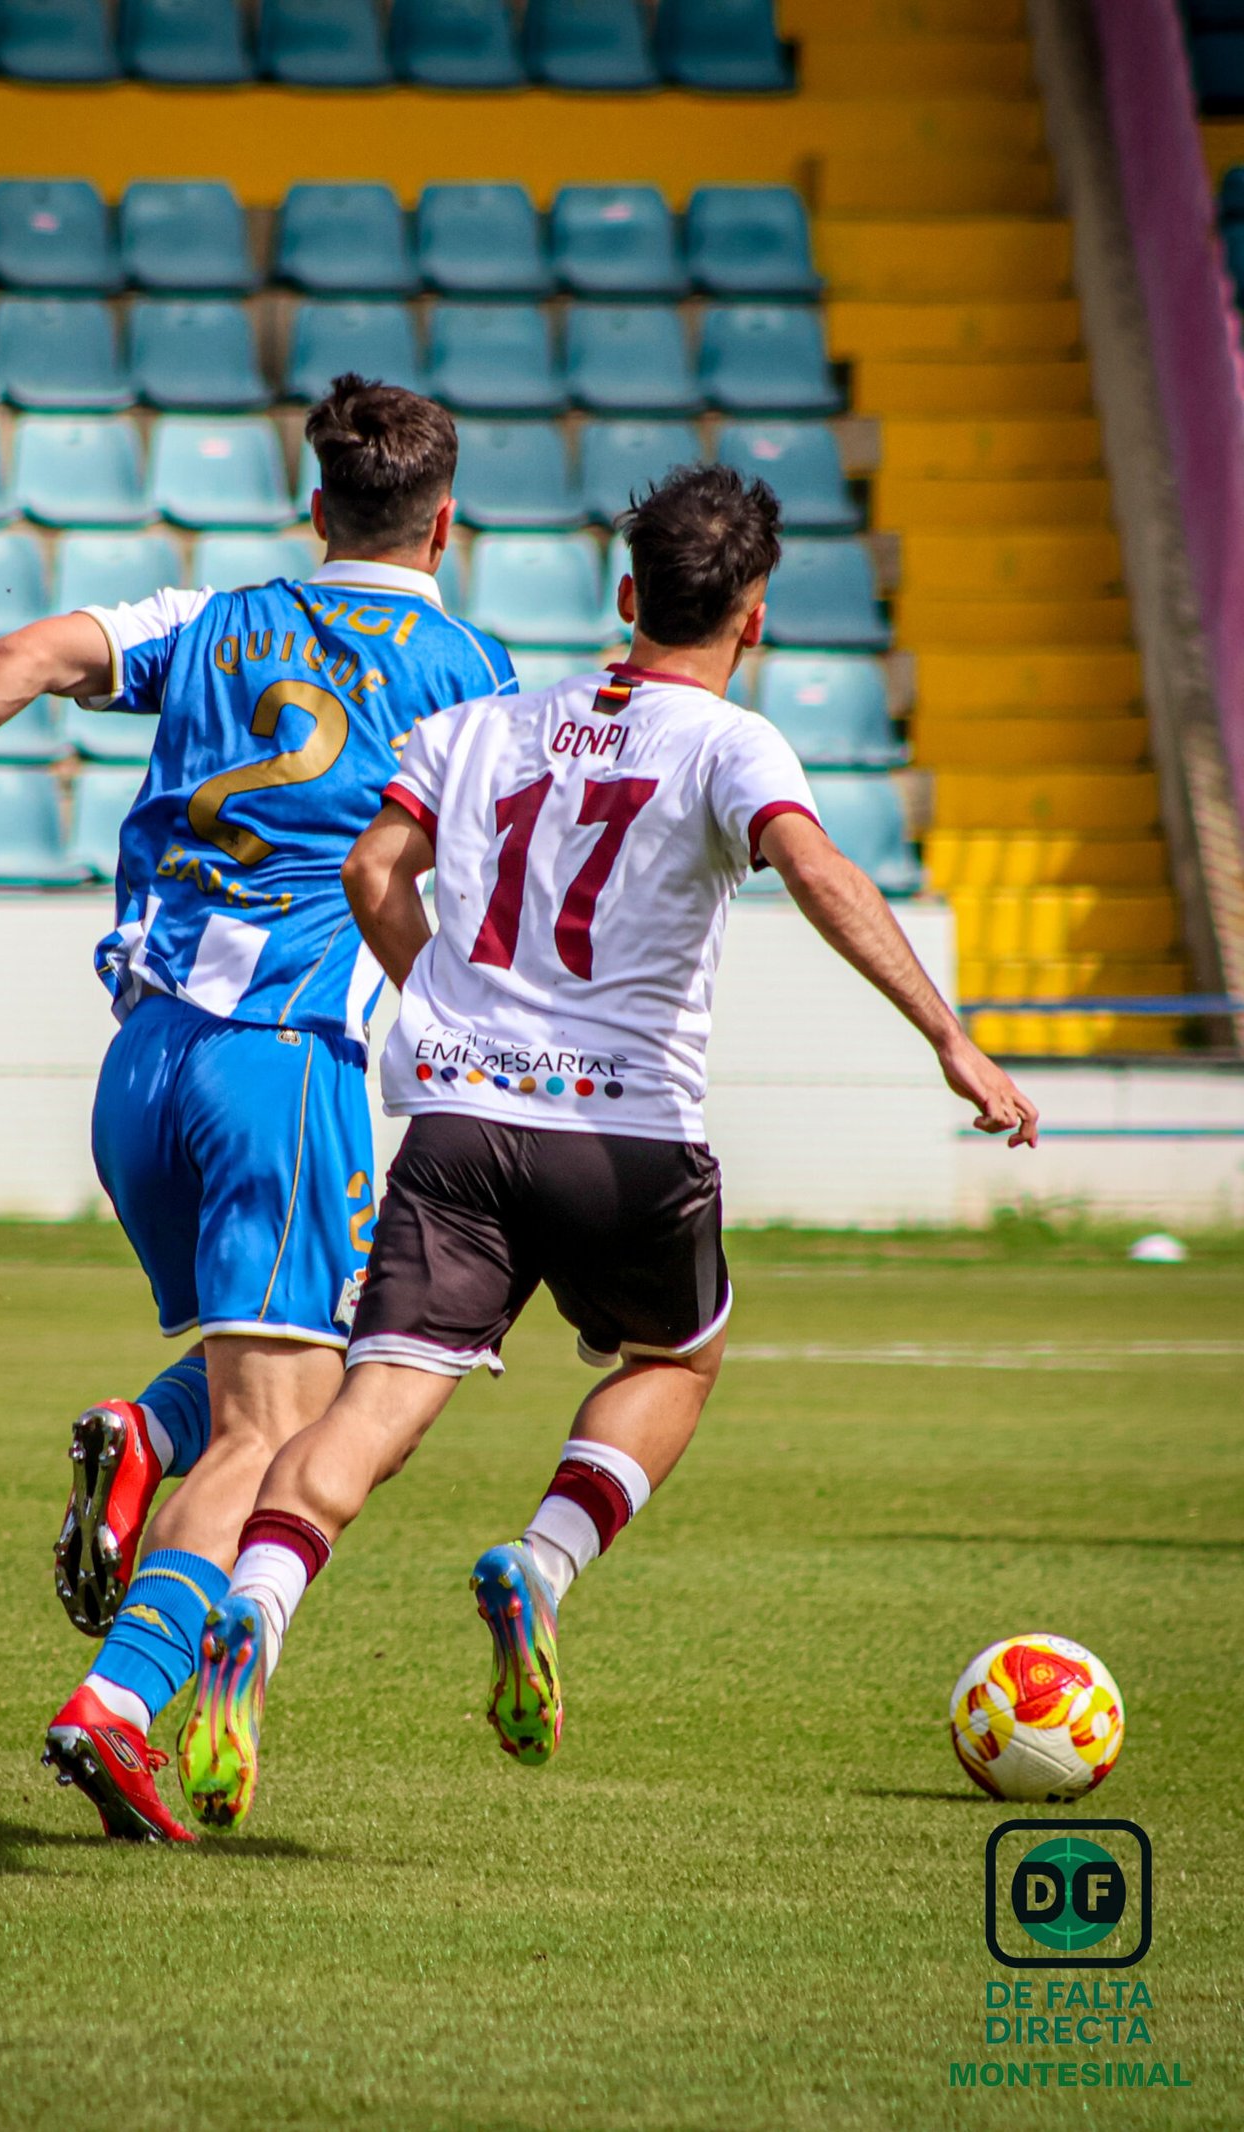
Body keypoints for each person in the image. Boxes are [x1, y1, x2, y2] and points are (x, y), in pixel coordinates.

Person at [173, 463, 1039, 1830]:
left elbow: (370, 872)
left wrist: (445, 1004)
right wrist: (950, 1037)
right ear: (753, 617)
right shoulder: (731, 745)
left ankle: (258, 1611)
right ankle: (543, 1559)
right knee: (679, 1357)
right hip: (625, 1135)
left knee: (368, 1413)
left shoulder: (482, 724)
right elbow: (817, 869)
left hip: (460, 1125)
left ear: (628, 594)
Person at [0, 376, 516, 1843]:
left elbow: (20, 654)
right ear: (445, 524)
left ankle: (148, 1433)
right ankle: (122, 1701)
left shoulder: (204, 621)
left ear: (315, 510)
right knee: (277, 1432)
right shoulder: (471, 672)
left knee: (309, 1358)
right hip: (283, 1067)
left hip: (140, 1067)